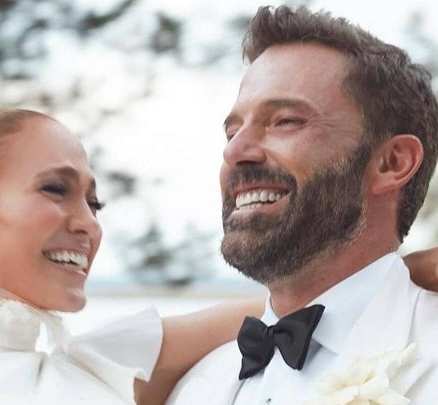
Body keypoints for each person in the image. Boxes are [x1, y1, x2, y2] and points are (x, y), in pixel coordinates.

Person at [0, 106, 264, 405]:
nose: (89, 224)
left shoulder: (106, 367)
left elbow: (284, 307)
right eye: (56, 189)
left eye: (94, 204)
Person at [168, 5, 438, 404]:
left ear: (391, 163)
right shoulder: (193, 387)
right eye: (232, 131)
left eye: (285, 121)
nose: (235, 151)